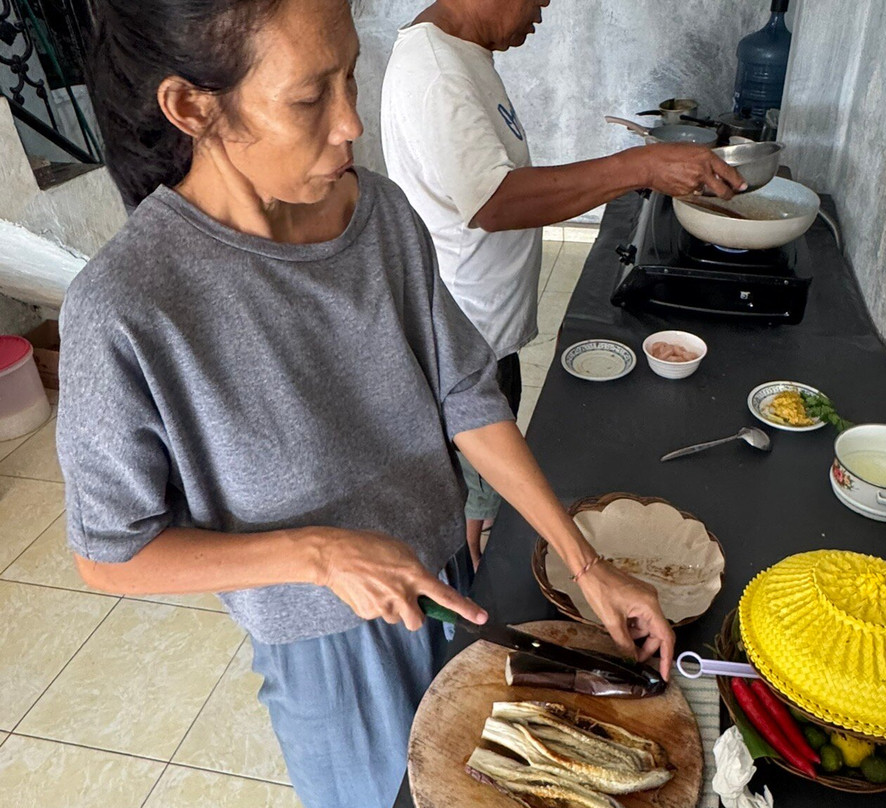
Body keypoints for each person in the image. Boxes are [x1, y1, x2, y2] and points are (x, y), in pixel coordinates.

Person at [59, 2, 674, 807]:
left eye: (351, 74)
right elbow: (108, 552)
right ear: (192, 108)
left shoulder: (377, 214)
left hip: (453, 580)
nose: (351, 122)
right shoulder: (129, 305)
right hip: (329, 655)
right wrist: (317, 553)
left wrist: (584, 566)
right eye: (310, 98)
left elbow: (465, 394)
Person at [381, 0, 746, 568]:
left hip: (486, 329)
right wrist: (640, 166)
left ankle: (475, 548)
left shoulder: (461, 55)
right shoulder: (435, 69)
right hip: (467, 336)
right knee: (468, 487)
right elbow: (496, 202)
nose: (541, 14)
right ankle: (470, 580)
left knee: (481, 489)